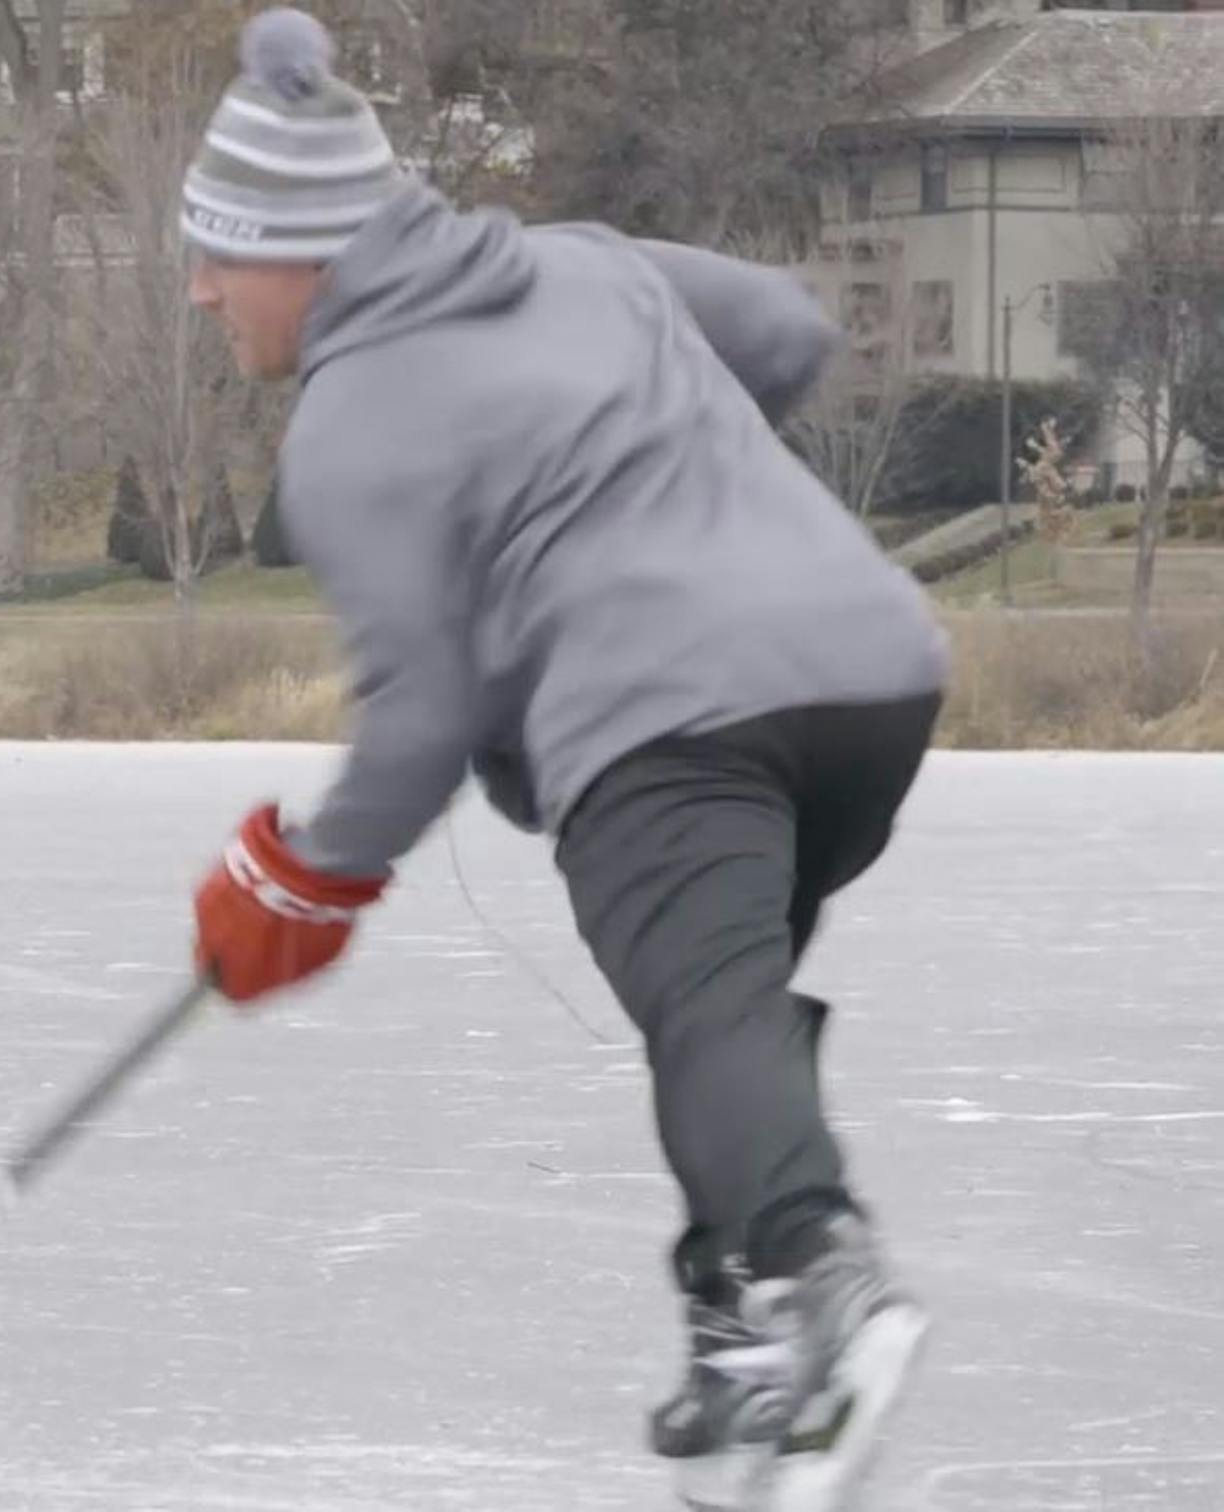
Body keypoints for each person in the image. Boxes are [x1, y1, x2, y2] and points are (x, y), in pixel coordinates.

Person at [183, 10, 947, 1512]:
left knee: (710, 1008)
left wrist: (297, 885)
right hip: (869, 675)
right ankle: (735, 1333)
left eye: (222, 252)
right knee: (716, 1008)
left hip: (669, 724)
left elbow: (418, 720)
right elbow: (789, 331)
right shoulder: (581, 264)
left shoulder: (349, 421)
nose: (202, 287)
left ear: (311, 252)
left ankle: (826, 1296)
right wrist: (682, 491)